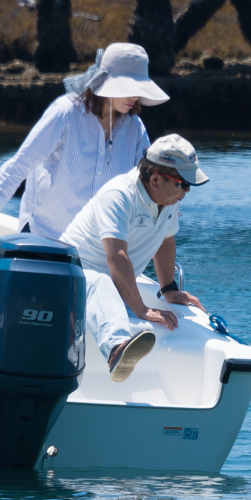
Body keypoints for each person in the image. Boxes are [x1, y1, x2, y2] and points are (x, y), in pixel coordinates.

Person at [0, 43, 169, 238]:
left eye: (139, 87)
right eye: (129, 87)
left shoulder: (136, 129)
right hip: (46, 237)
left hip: (98, 249)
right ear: (105, 81)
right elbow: (24, 161)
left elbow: (145, 185)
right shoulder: (65, 112)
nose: (135, 95)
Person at [60, 134, 208, 382]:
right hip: (68, 277)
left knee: (105, 284)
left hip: (107, 284)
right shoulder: (118, 195)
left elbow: (166, 240)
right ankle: (118, 348)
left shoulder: (169, 200)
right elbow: (116, 258)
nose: (187, 191)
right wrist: (141, 309)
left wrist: (169, 289)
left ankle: (128, 339)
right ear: (156, 179)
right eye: (182, 183)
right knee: (98, 281)